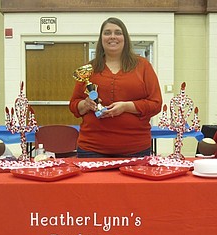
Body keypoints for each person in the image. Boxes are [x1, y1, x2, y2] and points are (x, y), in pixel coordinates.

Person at [69, 17, 162, 158]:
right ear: (101, 39)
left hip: (135, 149)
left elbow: (156, 104)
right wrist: (86, 104)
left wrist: (126, 107)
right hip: (92, 149)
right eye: (107, 33)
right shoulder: (89, 69)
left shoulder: (143, 66)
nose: (112, 36)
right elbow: (74, 105)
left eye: (118, 32)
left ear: (125, 38)